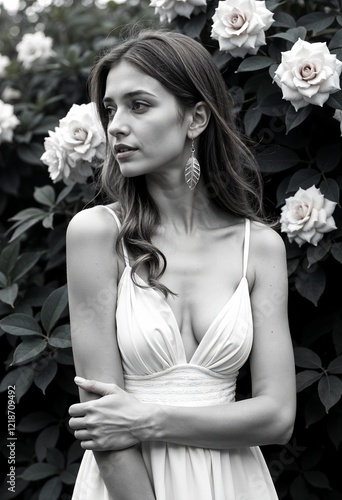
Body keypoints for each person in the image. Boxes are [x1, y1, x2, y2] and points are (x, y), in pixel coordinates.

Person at [67, 28, 296, 500]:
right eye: (110, 109)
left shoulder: (261, 247)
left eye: (139, 105)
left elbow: (277, 417)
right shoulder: (97, 235)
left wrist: (149, 418)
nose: (115, 126)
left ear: (195, 119)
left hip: (234, 484)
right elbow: (103, 426)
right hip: (128, 487)